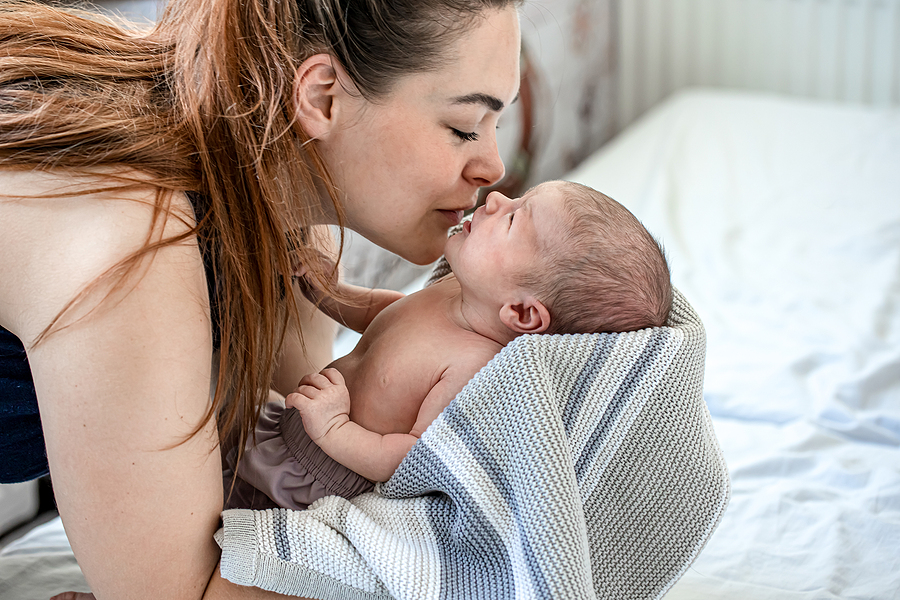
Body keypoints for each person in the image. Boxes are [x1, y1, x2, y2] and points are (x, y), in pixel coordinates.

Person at [0, 0, 522, 598]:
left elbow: (293, 483)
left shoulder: (292, 227)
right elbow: (183, 593)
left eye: (496, 125)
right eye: (463, 128)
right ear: (322, 97)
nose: (494, 167)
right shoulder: (136, 240)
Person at [225, 180, 673, 511]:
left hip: (312, 478)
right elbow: (385, 317)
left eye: (514, 217)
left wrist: (335, 428)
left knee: (216, 507)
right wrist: (330, 292)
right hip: (289, 425)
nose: (496, 198)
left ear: (521, 314)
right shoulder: (454, 291)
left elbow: (412, 456)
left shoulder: (471, 368)